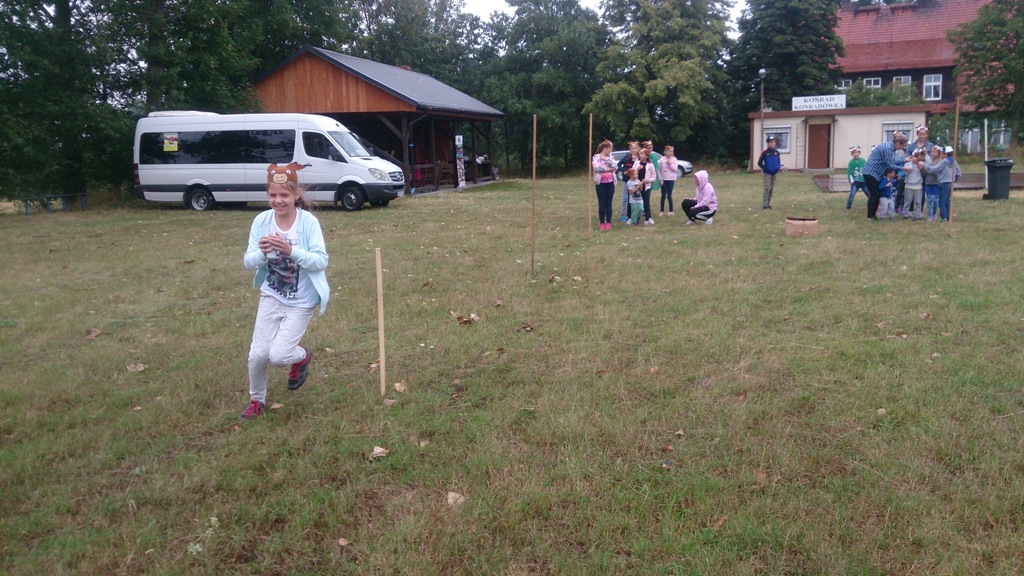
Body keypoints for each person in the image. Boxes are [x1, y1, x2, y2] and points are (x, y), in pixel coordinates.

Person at [241, 163, 330, 420]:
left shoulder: (307, 222)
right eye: (272, 195)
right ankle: (257, 400)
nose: (278, 201)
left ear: (296, 194)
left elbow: (321, 261)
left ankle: (301, 357)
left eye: (284, 195)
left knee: (279, 356)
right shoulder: (262, 221)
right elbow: (248, 262)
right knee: (258, 353)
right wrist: (263, 253)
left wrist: (291, 250)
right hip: (272, 294)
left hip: (301, 300)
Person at [862, 132, 910, 220]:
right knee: (874, 194)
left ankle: (873, 215)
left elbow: (891, 162)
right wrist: (903, 168)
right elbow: (890, 165)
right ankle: (870, 216)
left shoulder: (889, 146)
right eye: (903, 145)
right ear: (899, 143)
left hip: (874, 173)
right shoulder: (888, 148)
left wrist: (904, 160)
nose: (903, 148)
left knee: (876, 194)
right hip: (871, 173)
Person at [921, 145, 953, 222]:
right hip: (946, 183)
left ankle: (943, 217)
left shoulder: (943, 161)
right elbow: (958, 172)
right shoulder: (953, 161)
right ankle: (947, 217)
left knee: (941, 201)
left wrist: (925, 166)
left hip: (940, 183)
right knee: (946, 201)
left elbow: (935, 169)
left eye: (941, 152)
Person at [592, 139, 617, 231]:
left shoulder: (611, 157)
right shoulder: (596, 157)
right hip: (600, 183)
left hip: (610, 183)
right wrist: (608, 170)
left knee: (609, 203)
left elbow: (615, 167)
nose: (611, 150)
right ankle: (602, 223)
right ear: (605, 148)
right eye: (610, 148)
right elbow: (597, 168)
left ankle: (609, 223)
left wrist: (607, 163)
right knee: (601, 203)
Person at [616, 141, 641, 223]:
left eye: (635, 148)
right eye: (632, 148)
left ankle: (632, 215)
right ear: (630, 149)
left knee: (634, 197)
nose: (634, 150)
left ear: (638, 149)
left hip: (635, 180)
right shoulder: (627, 157)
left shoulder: (639, 158)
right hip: (626, 180)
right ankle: (623, 215)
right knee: (625, 198)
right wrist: (624, 171)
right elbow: (619, 164)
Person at [757, 135, 781, 209]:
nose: (773, 143)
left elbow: (778, 162)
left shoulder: (777, 152)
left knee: (771, 189)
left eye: (774, 142)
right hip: (767, 173)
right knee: (766, 188)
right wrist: (766, 168)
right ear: (768, 143)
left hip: (774, 173)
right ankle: (764, 205)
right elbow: (759, 163)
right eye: (771, 142)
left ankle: (768, 203)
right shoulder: (764, 152)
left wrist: (778, 168)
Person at [921, 145, 942, 222]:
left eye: (935, 152)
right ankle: (929, 215)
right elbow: (927, 167)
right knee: (929, 199)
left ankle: (934, 214)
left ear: (938, 153)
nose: (933, 153)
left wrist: (926, 167)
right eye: (932, 152)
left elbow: (935, 170)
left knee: (935, 200)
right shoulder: (929, 160)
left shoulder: (940, 161)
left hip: (936, 183)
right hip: (928, 182)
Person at [902, 148, 925, 221]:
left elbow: (921, 168)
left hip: (918, 185)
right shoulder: (907, 164)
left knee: (918, 202)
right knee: (907, 201)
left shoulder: (921, 163)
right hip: (909, 185)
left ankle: (917, 216)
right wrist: (911, 163)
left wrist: (917, 162)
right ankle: (905, 214)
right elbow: (907, 171)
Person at [637, 149, 657, 225]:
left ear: (646, 156)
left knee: (646, 202)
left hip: (647, 186)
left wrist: (647, 180)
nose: (641, 156)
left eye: (642, 154)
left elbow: (654, 177)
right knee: (638, 203)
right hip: (638, 186)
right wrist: (637, 169)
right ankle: (637, 218)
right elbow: (632, 173)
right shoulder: (637, 163)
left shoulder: (650, 165)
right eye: (640, 154)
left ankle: (648, 218)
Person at [658, 145, 679, 216]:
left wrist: (670, 164)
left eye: (672, 151)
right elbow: (659, 170)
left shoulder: (674, 159)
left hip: (671, 179)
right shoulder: (661, 160)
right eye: (669, 151)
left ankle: (671, 210)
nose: (670, 153)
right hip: (664, 180)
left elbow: (675, 170)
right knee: (663, 195)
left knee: (669, 195)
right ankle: (661, 210)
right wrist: (660, 179)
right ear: (665, 152)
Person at [642, 140, 662, 213]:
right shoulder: (642, 155)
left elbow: (657, 168)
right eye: (648, 148)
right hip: (641, 178)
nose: (650, 149)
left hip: (649, 179)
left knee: (647, 196)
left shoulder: (653, 157)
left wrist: (660, 179)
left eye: (651, 147)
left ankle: (646, 211)